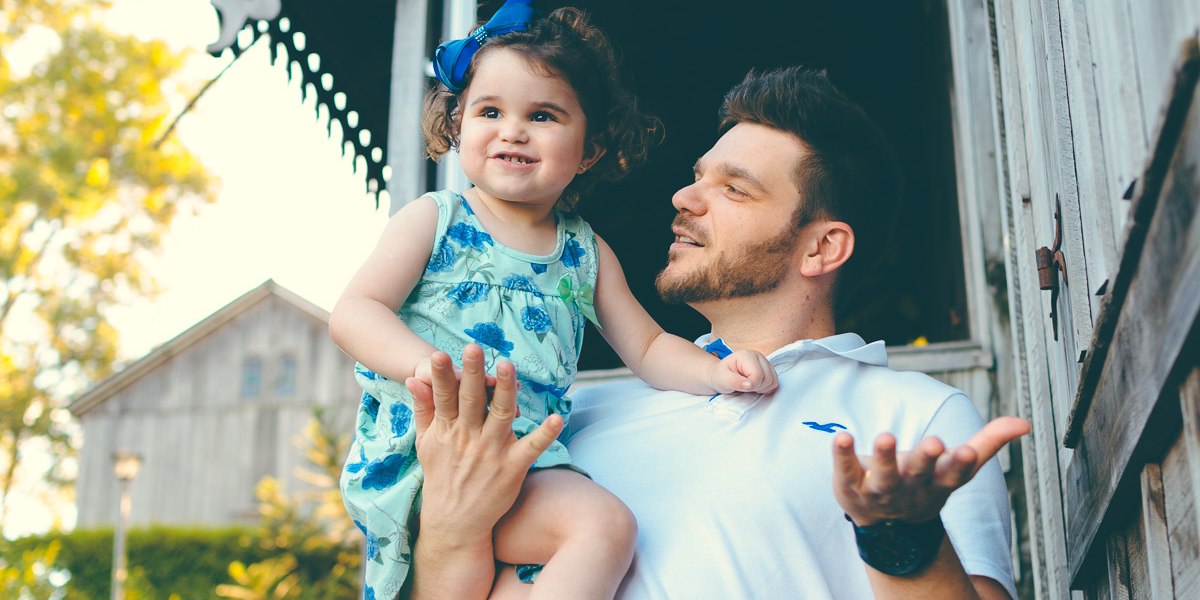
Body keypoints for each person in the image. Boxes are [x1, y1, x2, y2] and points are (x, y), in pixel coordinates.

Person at [403, 66, 1031, 599]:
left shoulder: (914, 418)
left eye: (734, 188)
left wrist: (901, 539)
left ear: (822, 247)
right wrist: (449, 533)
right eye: (698, 176)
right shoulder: (571, 417)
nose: (685, 196)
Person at [328, 0, 779, 600]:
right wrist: (430, 369)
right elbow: (355, 312)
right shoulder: (435, 219)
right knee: (600, 527)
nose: (513, 129)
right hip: (427, 448)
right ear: (458, 125)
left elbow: (647, 346)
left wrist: (716, 371)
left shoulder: (583, 253)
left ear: (590, 149)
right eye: (490, 110)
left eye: (542, 115)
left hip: (519, 455)